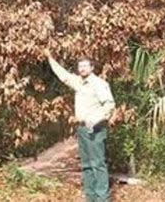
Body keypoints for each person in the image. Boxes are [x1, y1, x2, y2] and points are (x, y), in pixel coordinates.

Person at [44, 49, 115, 202]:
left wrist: (95, 120)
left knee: (98, 163)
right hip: (82, 128)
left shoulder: (99, 84)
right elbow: (63, 75)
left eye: (85, 66)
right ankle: (90, 196)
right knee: (86, 164)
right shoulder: (79, 82)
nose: (82, 69)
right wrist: (50, 58)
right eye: (80, 66)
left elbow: (109, 105)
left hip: (96, 128)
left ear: (92, 68)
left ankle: (102, 198)